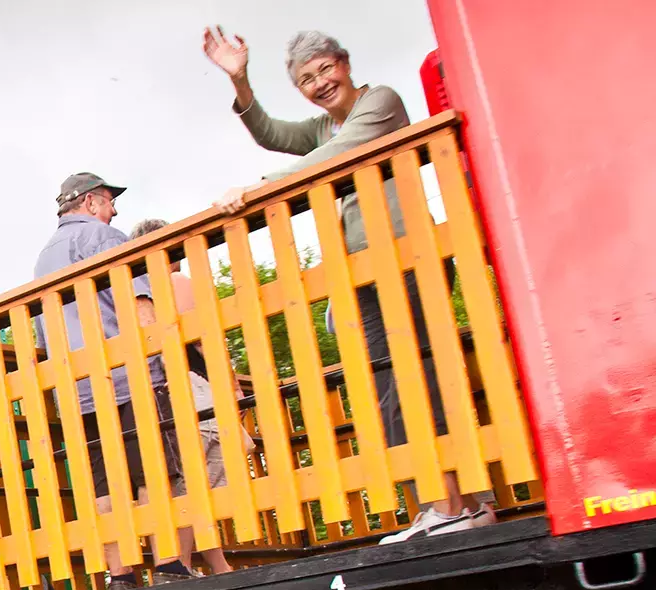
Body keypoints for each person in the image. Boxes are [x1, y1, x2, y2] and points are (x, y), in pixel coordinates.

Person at [203, 26, 490, 543]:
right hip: (361, 272)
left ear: (345, 62)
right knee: (389, 387)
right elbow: (271, 133)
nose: (320, 83)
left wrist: (258, 188)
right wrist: (241, 81)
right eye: (307, 80)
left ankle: (463, 503)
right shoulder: (321, 129)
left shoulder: (379, 102)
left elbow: (340, 154)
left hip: (405, 258)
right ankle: (441, 503)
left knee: (420, 377)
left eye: (324, 70)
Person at [35, 173, 192, 590]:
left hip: (76, 387)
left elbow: (41, 337)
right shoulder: (107, 238)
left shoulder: (42, 260)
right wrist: (166, 366)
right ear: (89, 203)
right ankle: (168, 565)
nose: (115, 210)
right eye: (108, 201)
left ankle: (120, 573)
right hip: (126, 377)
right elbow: (141, 306)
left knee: (104, 479)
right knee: (151, 470)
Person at [130, 218, 241, 576]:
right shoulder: (175, 281)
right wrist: (231, 385)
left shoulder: (131, 292)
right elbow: (204, 338)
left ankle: (201, 562)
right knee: (200, 480)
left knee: (186, 482)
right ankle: (185, 563)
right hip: (195, 386)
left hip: (163, 390)